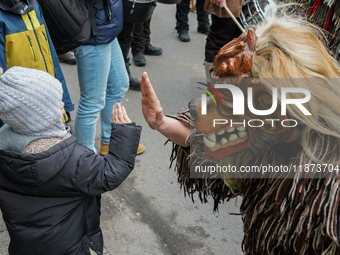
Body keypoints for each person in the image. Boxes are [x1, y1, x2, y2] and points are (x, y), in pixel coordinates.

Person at [0, 66, 141, 255]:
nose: (63, 105)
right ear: (39, 119)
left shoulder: (4, 150)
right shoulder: (73, 160)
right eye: (57, 104)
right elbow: (109, 173)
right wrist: (124, 134)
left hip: (24, 246)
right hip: (67, 247)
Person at [73, 0, 145, 155]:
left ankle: (110, 141)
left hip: (104, 26)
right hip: (91, 29)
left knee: (119, 84)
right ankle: (85, 160)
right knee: (92, 101)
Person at [0, 0, 74, 118]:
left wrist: (65, 102)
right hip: (21, 115)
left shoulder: (33, 5)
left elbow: (51, 58)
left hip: (51, 103)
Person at [204, 0, 244, 77]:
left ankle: (230, 82)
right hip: (228, 4)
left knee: (240, 45)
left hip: (246, 5)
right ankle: (212, 82)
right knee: (218, 43)